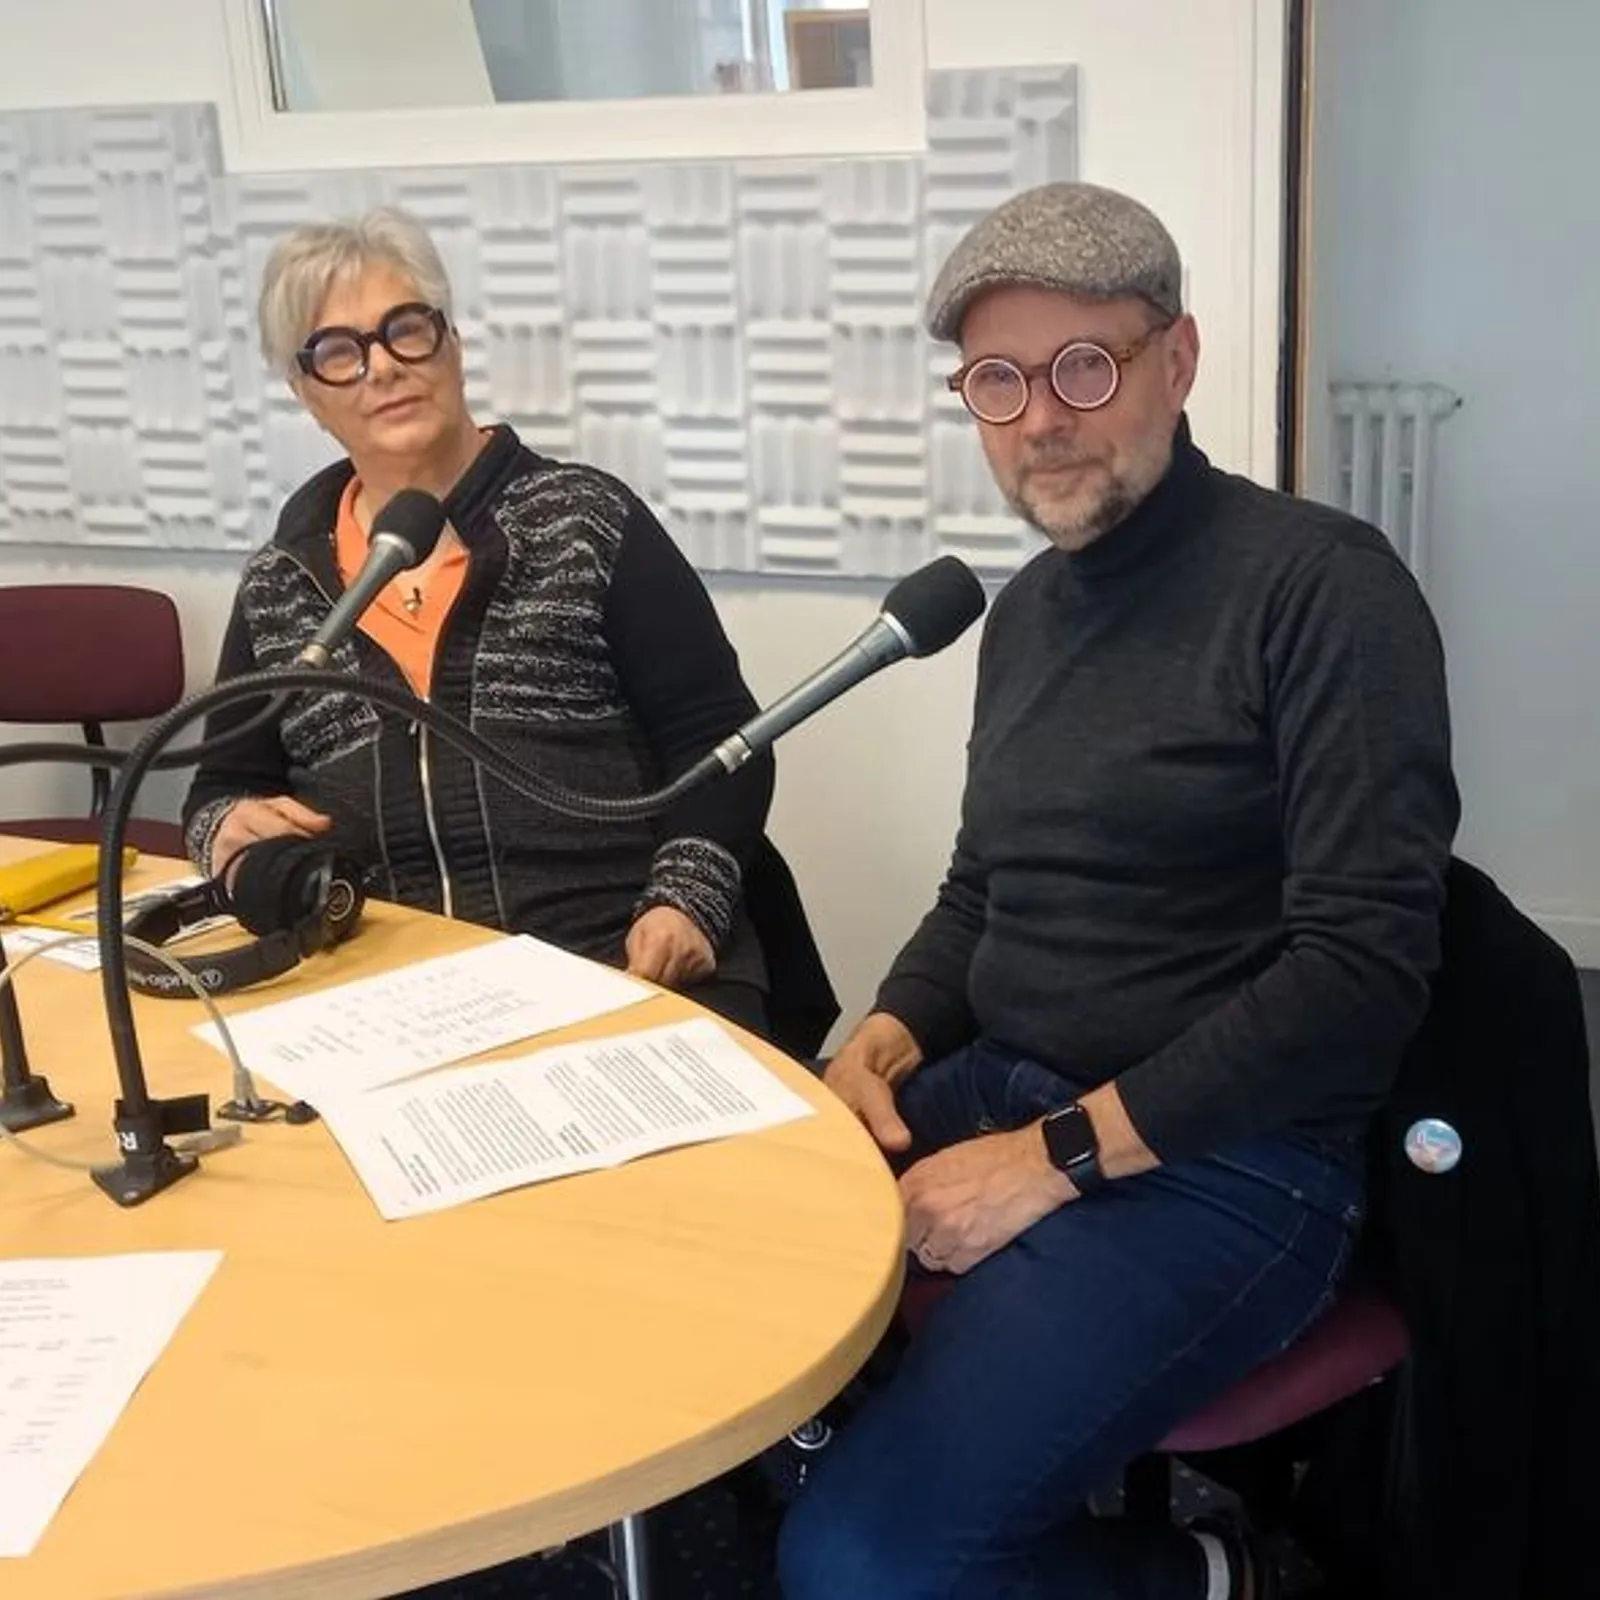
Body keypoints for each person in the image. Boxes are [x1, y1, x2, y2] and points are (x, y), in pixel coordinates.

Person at [777, 182, 1459, 1597]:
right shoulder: (1024, 614)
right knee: (689, 1273)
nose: (1043, 417)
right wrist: (889, 1039)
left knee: (861, 1566)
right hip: (1006, 1084)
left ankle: (1216, 1571)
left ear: (1180, 359)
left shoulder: (1323, 590)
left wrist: (1052, 1161)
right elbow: (984, 889)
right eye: (998, 380)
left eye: (1085, 364)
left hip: (1232, 1161)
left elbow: (1359, 976)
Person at [183, 208, 775, 1033]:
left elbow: (723, 739)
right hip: (396, 1004)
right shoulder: (281, 584)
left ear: (451, 343)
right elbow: (222, 787)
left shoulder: (585, 521)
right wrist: (225, 833)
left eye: (405, 330)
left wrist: (687, 903)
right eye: (340, 352)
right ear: (306, 393)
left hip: (619, 968)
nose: (382, 368)